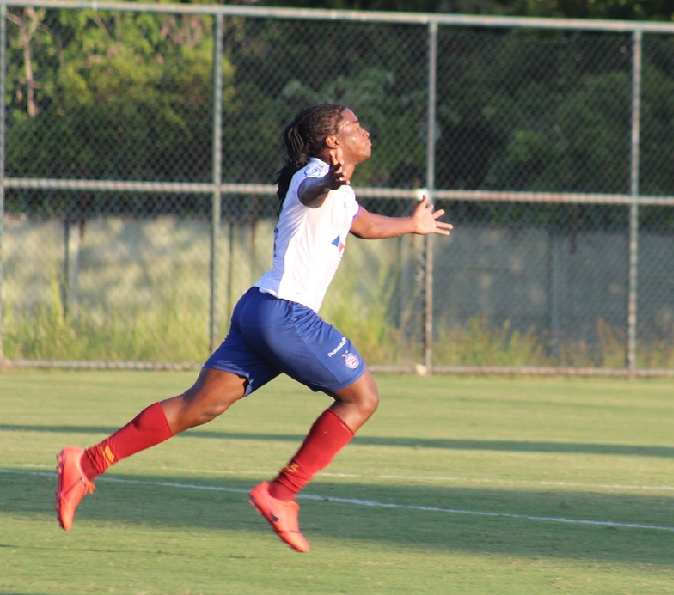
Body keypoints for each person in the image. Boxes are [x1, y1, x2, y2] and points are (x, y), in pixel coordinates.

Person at [55, 103, 453, 552]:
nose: (365, 129)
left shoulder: (342, 194)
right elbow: (311, 192)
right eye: (354, 124)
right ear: (333, 142)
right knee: (363, 398)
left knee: (197, 407)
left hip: (259, 309)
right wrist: (329, 179)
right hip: (286, 314)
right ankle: (281, 494)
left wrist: (412, 224)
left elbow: (365, 224)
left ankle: (86, 463)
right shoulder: (315, 176)